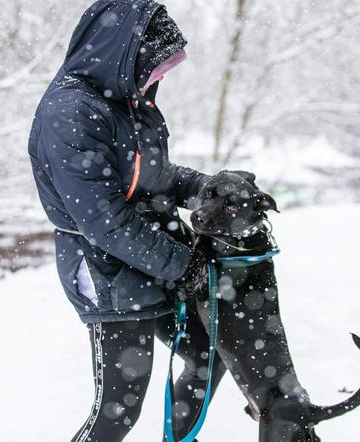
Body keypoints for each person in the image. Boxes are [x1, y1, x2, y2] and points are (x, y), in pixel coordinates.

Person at [27, 1, 227, 440]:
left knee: (208, 353)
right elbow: (104, 219)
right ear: (124, 52)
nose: (161, 77)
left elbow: (155, 177)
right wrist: (183, 265)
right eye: (156, 66)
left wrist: (210, 189)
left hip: (150, 258)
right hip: (106, 271)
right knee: (117, 412)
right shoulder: (70, 112)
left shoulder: (127, 105)